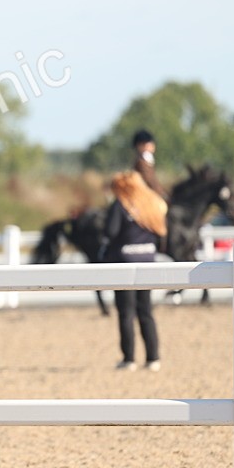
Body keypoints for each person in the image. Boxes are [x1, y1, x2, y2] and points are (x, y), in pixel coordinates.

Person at [101, 169, 166, 371]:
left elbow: (110, 231)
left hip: (123, 263)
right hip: (147, 261)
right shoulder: (151, 204)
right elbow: (162, 235)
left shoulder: (120, 205)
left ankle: (129, 358)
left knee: (126, 312)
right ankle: (153, 358)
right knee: (146, 311)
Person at [130, 129, 168, 200]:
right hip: (143, 197)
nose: (151, 146)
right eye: (147, 144)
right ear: (139, 146)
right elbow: (151, 182)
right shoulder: (141, 164)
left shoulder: (147, 162)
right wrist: (163, 194)